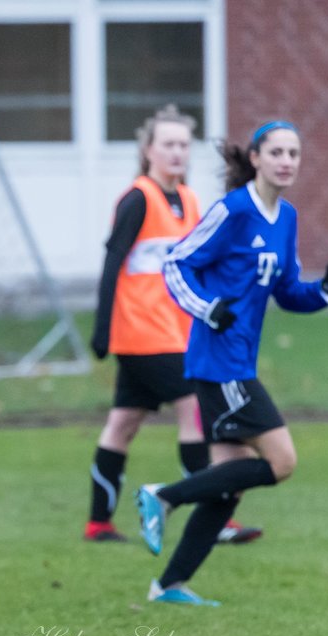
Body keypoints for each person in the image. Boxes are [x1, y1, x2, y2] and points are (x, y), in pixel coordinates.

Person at [134, 120, 328, 605]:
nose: (287, 161)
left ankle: (169, 586)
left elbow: (287, 292)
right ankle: (165, 495)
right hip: (219, 362)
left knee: (228, 487)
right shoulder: (234, 209)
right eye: (277, 152)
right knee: (282, 461)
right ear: (257, 158)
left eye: (294, 153)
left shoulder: (286, 218)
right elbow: (177, 262)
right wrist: (207, 308)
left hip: (239, 360)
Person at [85, 105, 261, 546]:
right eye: (168, 144)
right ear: (148, 151)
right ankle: (213, 517)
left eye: (184, 144)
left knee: (123, 423)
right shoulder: (138, 198)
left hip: (177, 330)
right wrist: (102, 328)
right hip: (143, 334)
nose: (178, 152)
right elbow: (112, 263)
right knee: (194, 414)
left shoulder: (191, 200)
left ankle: (98, 523)